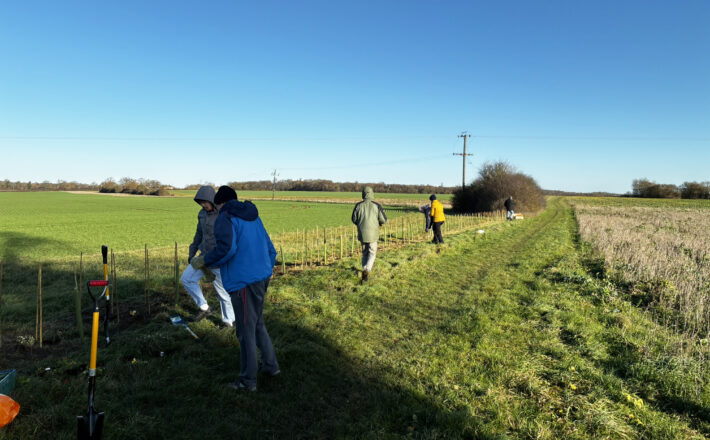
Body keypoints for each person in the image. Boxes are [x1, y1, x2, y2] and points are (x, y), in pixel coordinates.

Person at [196, 186, 279, 392]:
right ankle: (271, 367)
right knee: (258, 323)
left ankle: (247, 381)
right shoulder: (253, 216)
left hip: (243, 282)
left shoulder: (226, 217)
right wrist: (266, 271)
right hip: (261, 277)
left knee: (244, 331)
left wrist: (205, 260)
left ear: (220, 203)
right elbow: (271, 249)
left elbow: (227, 249)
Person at [181, 186, 235, 326]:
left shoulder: (223, 213)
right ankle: (204, 308)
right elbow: (199, 234)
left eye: (205, 202)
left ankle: (228, 321)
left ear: (212, 200)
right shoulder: (202, 214)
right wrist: (192, 253)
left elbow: (229, 238)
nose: (203, 205)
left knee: (222, 293)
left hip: (218, 259)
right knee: (187, 279)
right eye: (200, 202)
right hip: (203, 257)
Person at [351, 186, 387, 282]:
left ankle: (364, 269)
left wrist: (359, 224)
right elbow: (383, 219)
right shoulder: (377, 205)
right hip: (373, 234)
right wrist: (379, 223)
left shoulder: (358, 205)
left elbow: (354, 219)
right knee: (372, 252)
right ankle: (367, 270)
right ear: (372, 193)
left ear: (363, 194)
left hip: (362, 234)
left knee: (364, 253)